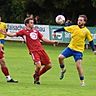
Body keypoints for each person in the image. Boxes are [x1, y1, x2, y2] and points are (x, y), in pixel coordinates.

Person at [3, 17, 57, 85]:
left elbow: (43, 39)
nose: (33, 24)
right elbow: (13, 34)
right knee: (38, 66)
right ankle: (37, 78)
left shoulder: (36, 31)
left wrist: (52, 42)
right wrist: (6, 33)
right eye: (31, 23)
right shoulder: (23, 31)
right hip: (33, 51)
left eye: (33, 22)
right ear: (27, 24)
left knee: (49, 65)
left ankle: (37, 75)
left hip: (41, 50)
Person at [53, 15, 96, 86]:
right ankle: (63, 69)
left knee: (78, 66)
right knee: (60, 57)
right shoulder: (73, 27)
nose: (79, 21)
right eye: (78, 20)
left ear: (84, 22)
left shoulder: (86, 31)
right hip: (70, 48)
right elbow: (64, 28)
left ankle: (82, 81)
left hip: (78, 51)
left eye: (81, 20)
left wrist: (94, 50)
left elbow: (91, 41)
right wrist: (55, 31)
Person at [0, 16, 18, 83]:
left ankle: (8, 78)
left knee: (2, 61)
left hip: (1, 40)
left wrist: (5, 34)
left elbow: (6, 29)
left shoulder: (3, 24)